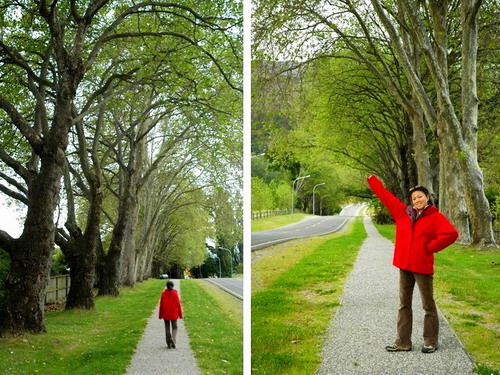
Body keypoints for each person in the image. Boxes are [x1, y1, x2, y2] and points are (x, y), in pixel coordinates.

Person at [367, 175, 458, 353]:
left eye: (420, 197)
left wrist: (431, 246)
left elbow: (451, 234)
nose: (417, 200)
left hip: (422, 267)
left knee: (428, 305)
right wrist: (373, 181)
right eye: (414, 198)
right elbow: (386, 196)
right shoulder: (402, 213)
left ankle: (430, 341)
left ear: (427, 198)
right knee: (403, 304)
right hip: (405, 266)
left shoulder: (435, 217)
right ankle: (403, 342)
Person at [159, 280, 183, 349]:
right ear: (173, 286)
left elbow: (161, 305)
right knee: (175, 327)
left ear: (166, 286)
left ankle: (168, 344)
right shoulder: (175, 293)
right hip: (174, 314)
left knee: (167, 328)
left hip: (166, 314)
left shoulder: (163, 294)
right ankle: (173, 339)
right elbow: (178, 305)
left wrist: (160, 315)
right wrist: (180, 315)